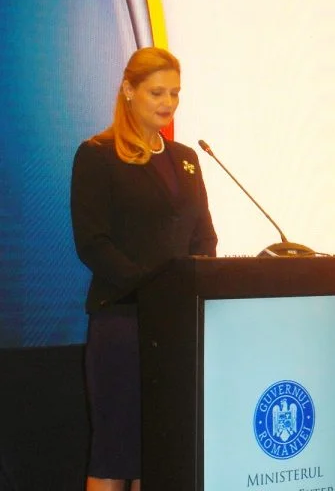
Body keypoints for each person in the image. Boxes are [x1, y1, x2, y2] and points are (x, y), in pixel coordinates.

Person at [70, 47, 217, 491]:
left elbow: (203, 237)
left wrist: (195, 288)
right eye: (157, 92)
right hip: (123, 322)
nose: (168, 102)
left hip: (176, 328)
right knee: (116, 453)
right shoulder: (98, 154)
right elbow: (93, 243)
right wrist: (154, 289)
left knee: (160, 453)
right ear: (128, 90)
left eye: (175, 93)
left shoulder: (186, 157)